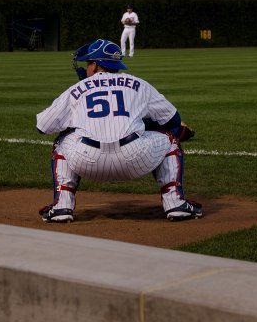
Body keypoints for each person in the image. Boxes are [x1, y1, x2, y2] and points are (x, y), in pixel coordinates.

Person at [35, 39, 202, 223]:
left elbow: (42, 127)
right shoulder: (139, 84)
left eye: (89, 63)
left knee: (61, 142)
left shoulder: (76, 89)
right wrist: (142, 123)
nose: (87, 67)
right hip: (137, 159)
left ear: (96, 64)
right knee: (170, 139)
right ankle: (176, 204)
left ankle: (61, 207)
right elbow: (173, 121)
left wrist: (80, 121)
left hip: (87, 161)